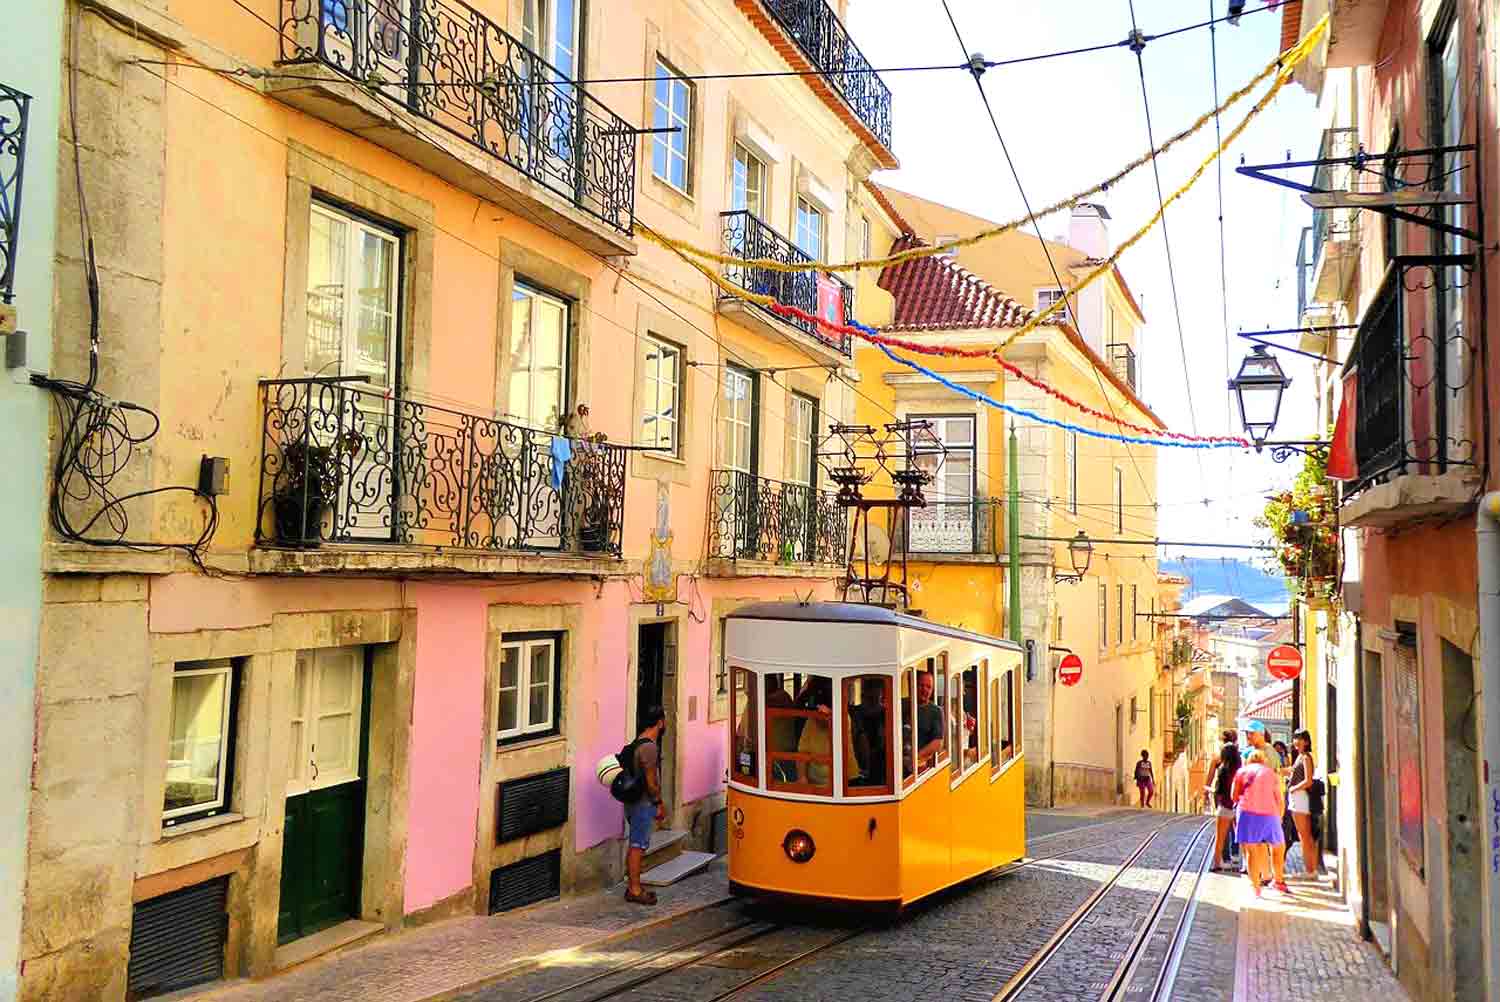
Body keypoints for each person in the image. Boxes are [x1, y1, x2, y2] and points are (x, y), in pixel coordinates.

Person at [624, 707, 667, 905]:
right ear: (660, 722)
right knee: (638, 845)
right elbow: (651, 783)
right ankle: (635, 889)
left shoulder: (637, 742)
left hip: (633, 803)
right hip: (643, 803)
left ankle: (634, 886)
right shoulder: (649, 748)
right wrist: (658, 803)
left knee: (636, 844)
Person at [1233, 747, 1288, 896]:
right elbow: (1279, 799)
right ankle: (1278, 880)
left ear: (1248, 760)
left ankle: (1256, 888)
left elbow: (1234, 796)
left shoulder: (1241, 772)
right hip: (1270, 814)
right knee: (1278, 848)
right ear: (1264, 760)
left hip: (1247, 814)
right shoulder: (1270, 773)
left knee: (1251, 852)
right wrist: (1280, 817)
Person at [1245, 721, 1287, 886]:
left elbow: (1272, 778)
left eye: (1252, 733)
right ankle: (1266, 875)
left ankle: (1276, 878)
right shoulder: (1254, 752)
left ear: (1261, 734)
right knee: (1261, 842)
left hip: (1269, 803)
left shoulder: (1268, 752)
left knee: (1274, 843)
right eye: (1247, 733)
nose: (1248, 736)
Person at [1286, 729, 1324, 879]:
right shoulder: (1300, 757)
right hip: (1298, 799)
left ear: (1306, 741)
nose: (1296, 742)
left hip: (1301, 799)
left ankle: (1310, 870)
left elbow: (1308, 781)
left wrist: (1293, 788)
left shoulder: (1306, 758)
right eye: (1295, 739)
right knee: (1305, 836)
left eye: (1299, 739)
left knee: (1305, 836)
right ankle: (1310, 869)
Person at [1205, 738, 1241, 872]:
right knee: (1242, 837)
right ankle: (1243, 863)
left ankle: (1217, 864)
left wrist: (1210, 791)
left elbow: (1219, 790)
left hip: (1225, 806)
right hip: (1238, 807)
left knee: (1220, 837)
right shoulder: (1240, 770)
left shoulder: (1223, 769)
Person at [916, 670, 944, 768]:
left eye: (928, 687)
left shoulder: (935, 711)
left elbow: (937, 742)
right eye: (921, 685)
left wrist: (916, 757)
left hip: (921, 767)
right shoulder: (901, 705)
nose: (925, 690)